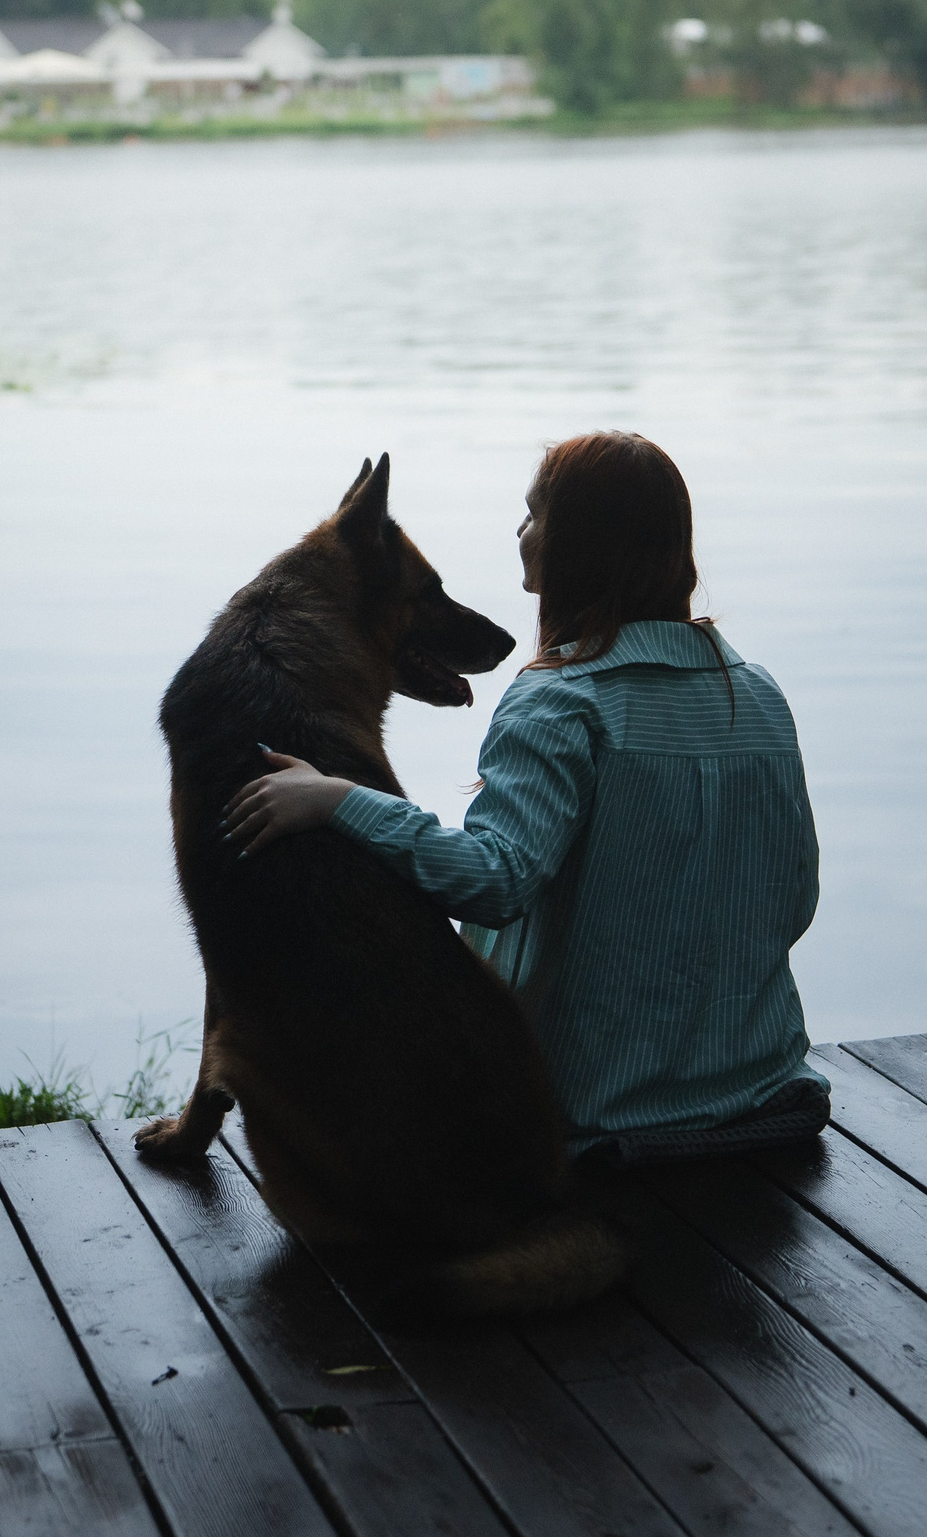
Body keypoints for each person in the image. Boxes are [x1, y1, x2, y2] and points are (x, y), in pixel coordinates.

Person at [223, 431, 828, 1164]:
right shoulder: (759, 695)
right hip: (765, 1096)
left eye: (535, 514)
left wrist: (338, 800)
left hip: (598, 1116)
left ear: (579, 543)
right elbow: (795, 899)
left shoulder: (564, 700)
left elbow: (494, 881)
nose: (521, 531)